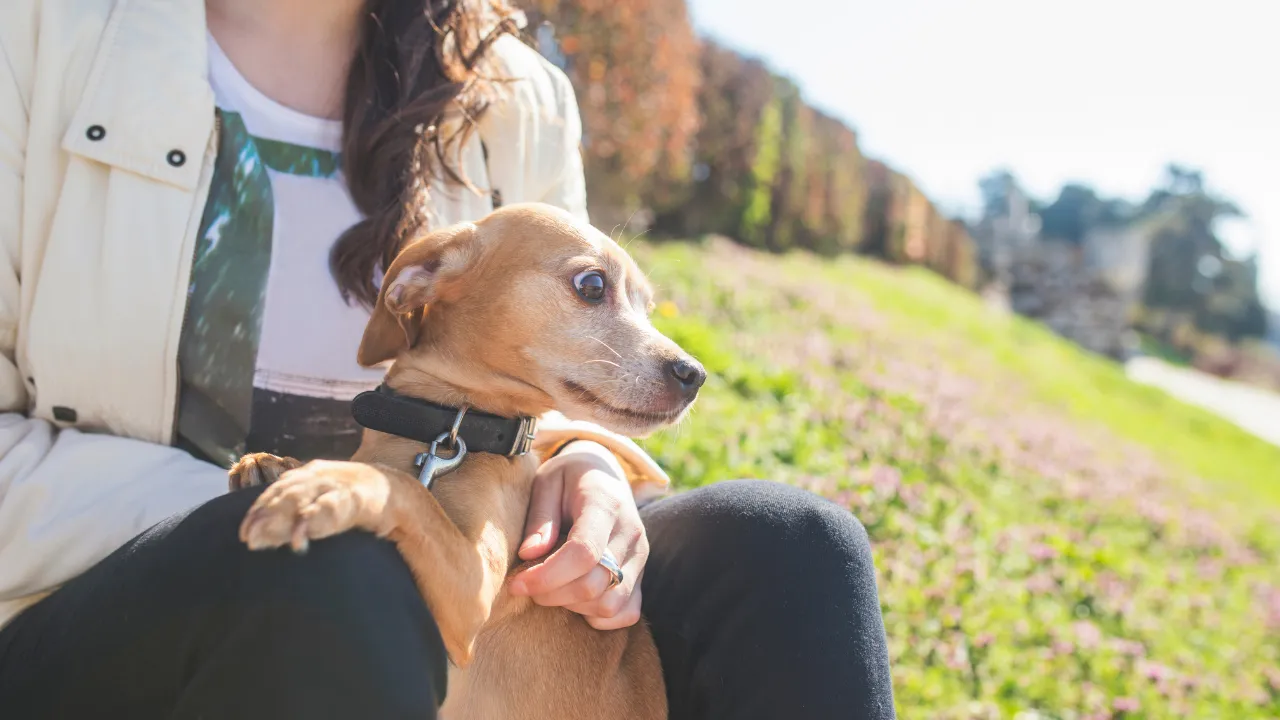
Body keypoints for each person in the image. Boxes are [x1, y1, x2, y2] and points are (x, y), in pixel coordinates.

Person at [0, 0, 896, 717]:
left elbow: (557, 388)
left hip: (464, 560)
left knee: (790, 549)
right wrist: (336, 502)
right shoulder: (38, 35)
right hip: (103, 605)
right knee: (344, 577)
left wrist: (586, 465)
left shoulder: (518, 92)